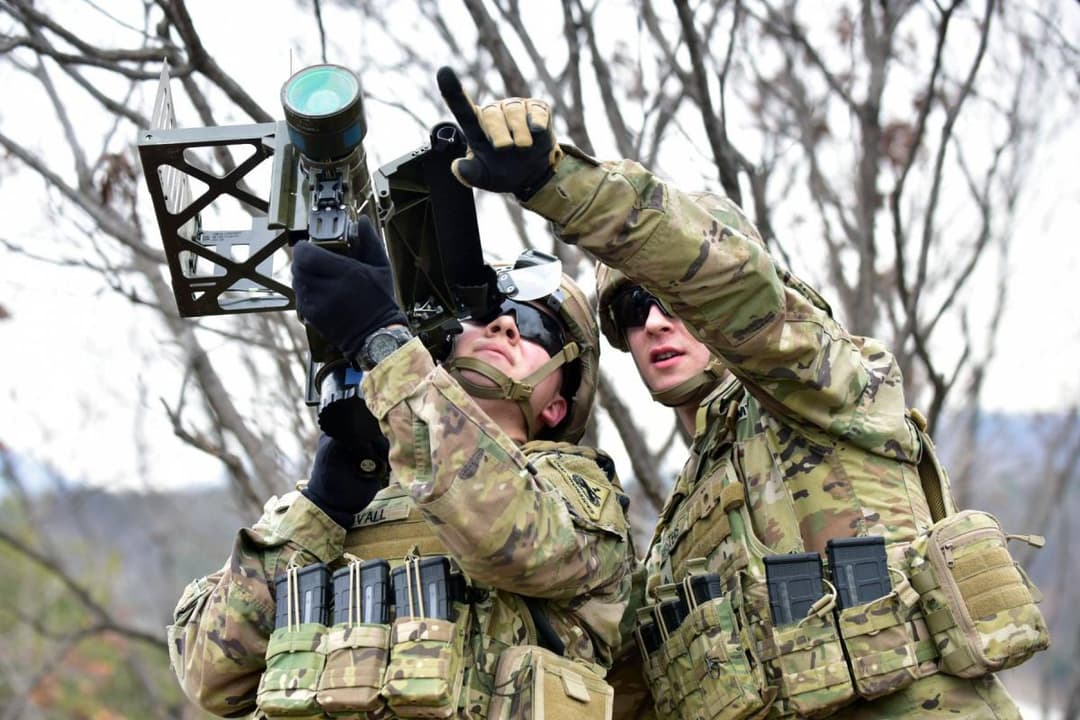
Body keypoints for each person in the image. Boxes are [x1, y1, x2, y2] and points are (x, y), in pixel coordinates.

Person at [434, 67, 1044, 718]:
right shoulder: (667, 552)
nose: (655, 323)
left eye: (671, 297)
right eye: (634, 308)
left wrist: (557, 184)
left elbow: (732, 287)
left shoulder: (826, 387)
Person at [166, 216, 636, 719]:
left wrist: (384, 343)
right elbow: (210, 675)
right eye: (481, 312)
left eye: (535, 324)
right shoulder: (332, 507)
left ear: (558, 406)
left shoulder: (579, 492)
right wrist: (321, 509)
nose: (502, 325)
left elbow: (515, 538)